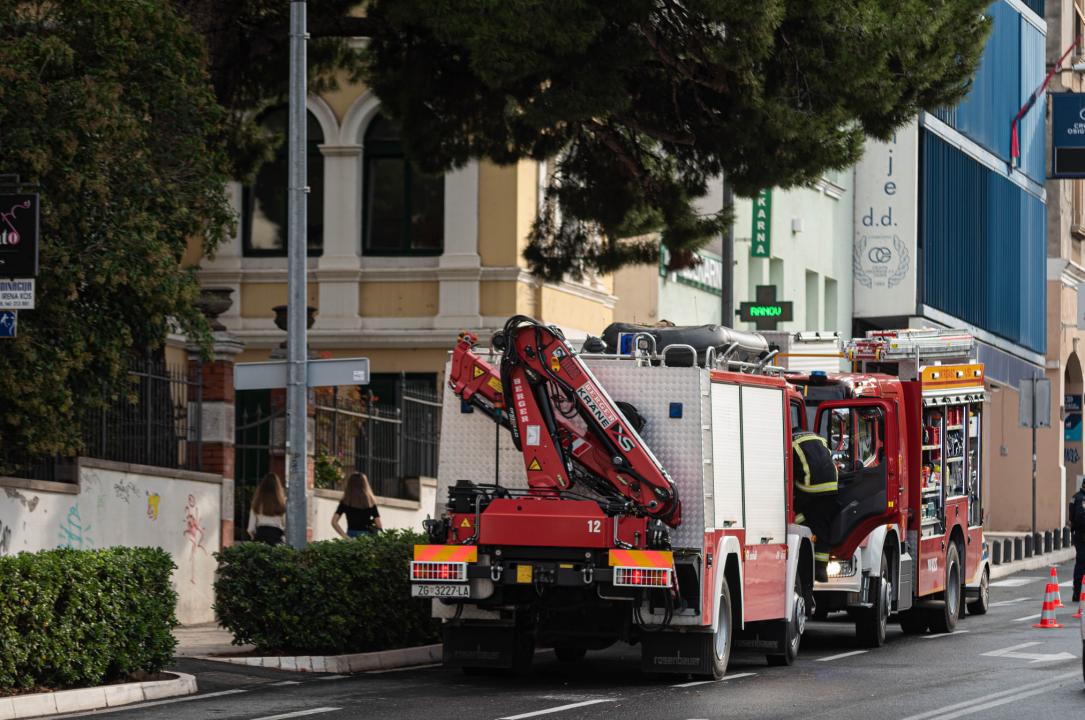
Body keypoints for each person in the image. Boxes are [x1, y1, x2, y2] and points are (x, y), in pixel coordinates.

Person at [792, 430, 839, 583]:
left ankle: (805, 530)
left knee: (791, 507)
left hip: (810, 488)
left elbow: (789, 470)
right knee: (824, 529)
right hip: (832, 487)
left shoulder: (790, 441)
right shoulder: (819, 438)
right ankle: (821, 570)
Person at [332, 472, 383, 539]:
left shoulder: (346, 502)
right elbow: (379, 525)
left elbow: (334, 522)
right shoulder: (370, 502)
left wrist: (346, 537)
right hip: (366, 537)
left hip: (351, 534)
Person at [247, 472, 286, 546]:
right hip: (276, 537)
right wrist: (281, 532)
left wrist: (254, 535)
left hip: (260, 537)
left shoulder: (256, 503)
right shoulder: (281, 504)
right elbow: (287, 527)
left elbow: (251, 529)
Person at [1070, 477, 1085, 609]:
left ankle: (1078, 590)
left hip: (1078, 534)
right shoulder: (1082, 499)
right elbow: (1081, 518)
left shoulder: (1075, 497)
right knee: (1081, 563)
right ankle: (1078, 591)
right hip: (1082, 536)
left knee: (1081, 562)